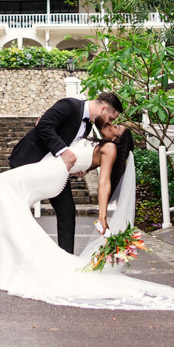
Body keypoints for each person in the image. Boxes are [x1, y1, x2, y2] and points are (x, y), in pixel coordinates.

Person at [0, 122, 174, 311]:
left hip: (53, 174)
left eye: (116, 128)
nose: (112, 125)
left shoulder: (109, 149)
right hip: (53, 169)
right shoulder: (100, 142)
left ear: (118, 140)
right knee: (4, 196)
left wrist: (102, 215)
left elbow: (104, 182)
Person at [8, 91, 123, 254]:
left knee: (67, 210)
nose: (109, 123)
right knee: (15, 212)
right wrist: (63, 151)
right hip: (29, 162)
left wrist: (75, 170)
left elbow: (73, 148)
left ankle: (66, 261)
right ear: (103, 108)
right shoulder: (69, 105)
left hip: (54, 172)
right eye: (111, 119)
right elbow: (44, 125)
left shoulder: (88, 125)